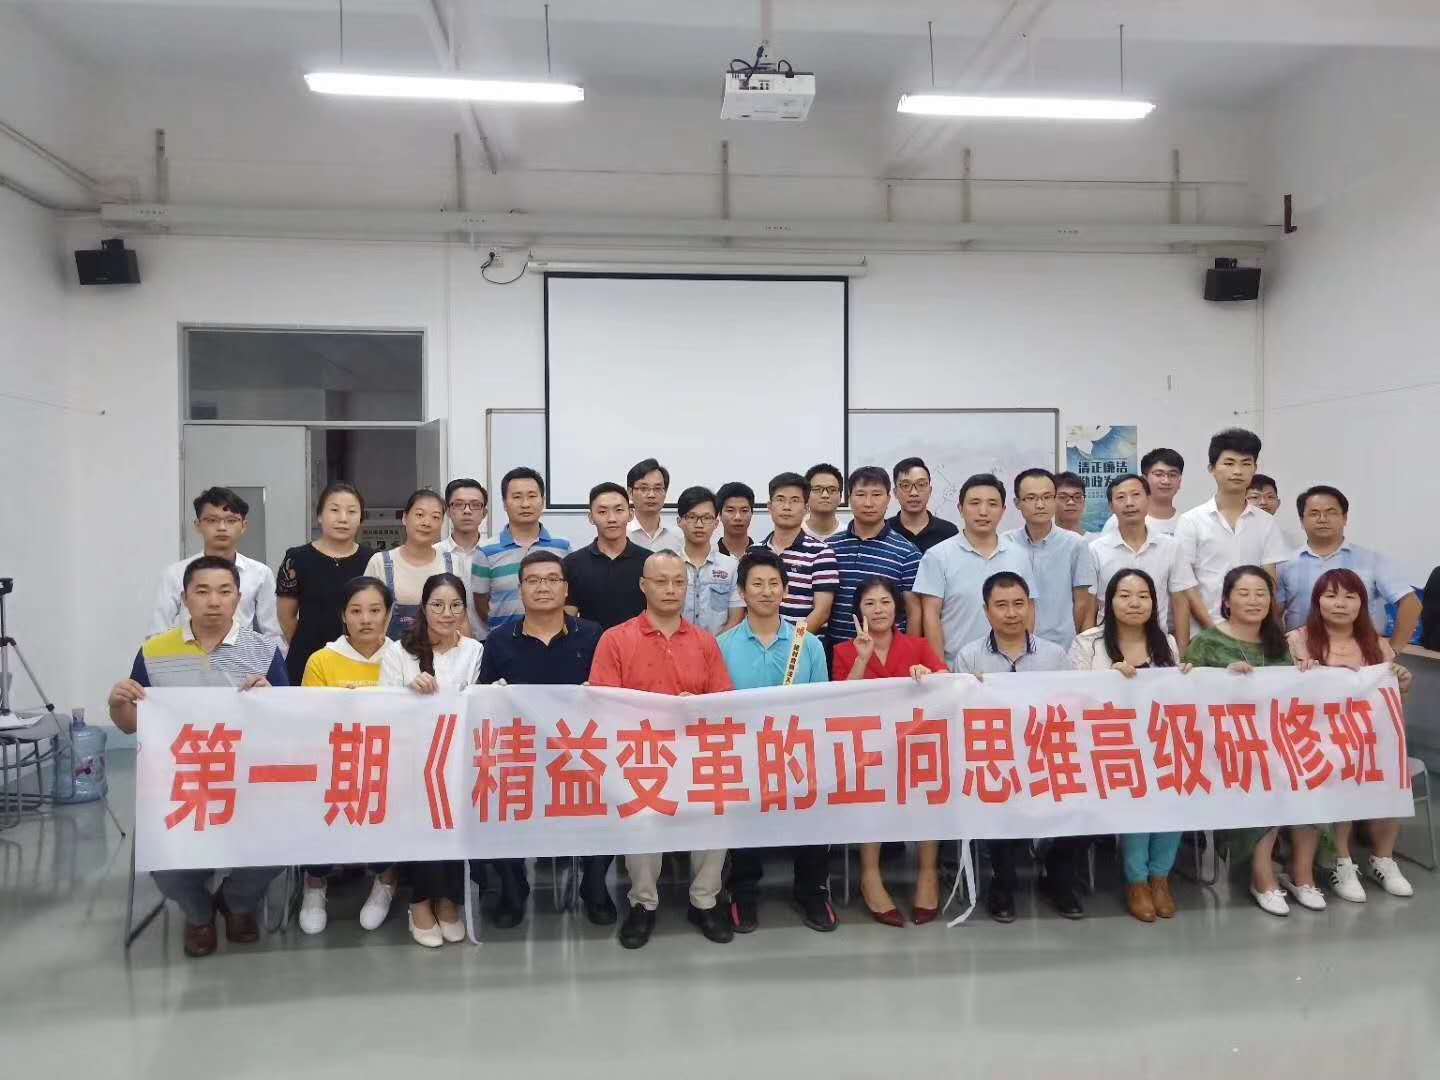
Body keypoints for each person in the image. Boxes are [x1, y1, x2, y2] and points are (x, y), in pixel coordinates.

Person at [108, 556, 288, 958]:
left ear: (238, 598)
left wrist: (271, 700)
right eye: (202, 591)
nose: (214, 601)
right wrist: (118, 705)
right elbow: (131, 724)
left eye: (224, 591)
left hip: (249, 779)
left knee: (282, 842)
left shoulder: (263, 651)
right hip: (182, 782)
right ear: (185, 598)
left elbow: (287, 722)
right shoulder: (154, 651)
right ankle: (198, 912)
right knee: (164, 858)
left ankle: (237, 902)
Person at [589, 550, 736, 949]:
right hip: (639, 757)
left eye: (678, 582)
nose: (671, 589)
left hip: (695, 753)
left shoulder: (705, 642)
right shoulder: (616, 640)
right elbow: (602, 706)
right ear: (643, 586)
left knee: (718, 810)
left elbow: (724, 702)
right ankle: (643, 903)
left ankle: (705, 900)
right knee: (641, 816)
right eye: (661, 581)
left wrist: (698, 706)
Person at [476, 551, 609, 926]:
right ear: (520, 589)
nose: (543, 587)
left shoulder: (593, 635)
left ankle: (594, 885)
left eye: (552, 579)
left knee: (614, 790)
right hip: (521, 755)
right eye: (533, 580)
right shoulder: (499, 641)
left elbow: (610, 695)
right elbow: (484, 703)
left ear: (566, 589)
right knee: (490, 795)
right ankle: (513, 886)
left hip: (580, 753)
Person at [952, 572, 1084, 922]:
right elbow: (962, 718)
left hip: (1047, 756)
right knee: (995, 794)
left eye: (1018, 604)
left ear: (1030, 607)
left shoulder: (1055, 656)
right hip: (995, 758)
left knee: (1087, 795)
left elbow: (1072, 708)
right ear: (986, 611)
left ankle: (1057, 877)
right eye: (1001, 605)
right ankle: (1003, 883)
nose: (1011, 613)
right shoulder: (969, 657)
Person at [716, 550, 835, 933]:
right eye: (757, 584)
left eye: (773, 584)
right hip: (743, 754)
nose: (766, 591)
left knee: (813, 814)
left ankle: (812, 891)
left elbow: (821, 705)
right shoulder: (723, 645)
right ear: (742, 592)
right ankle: (743, 892)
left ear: (785, 590)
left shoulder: (809, 644)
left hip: (798, 753)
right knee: (742, 820)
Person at [1182, 565, 1306, 917]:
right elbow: (1186, 698)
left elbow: (1291, 698)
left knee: (1301, 768)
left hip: (1274, 743)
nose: (1253, 601)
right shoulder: (1206, 642)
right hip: (1221, 749)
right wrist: (1223, 680)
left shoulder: (1280, 644)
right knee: (1261, 772)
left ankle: (1301, 873)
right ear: (1226, 600)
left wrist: (1306, 675)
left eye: (1261, 594)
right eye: (1244, 593)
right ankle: (1262, 876)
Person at [1069, 569, 1192, 923]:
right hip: (1105, 747)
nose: (1134, 603)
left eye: (1143, 596)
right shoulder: (1088, 644)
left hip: (1158, 743)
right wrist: (1108, 682)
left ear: (1154, 602)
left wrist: (1187, 679)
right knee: (1140, 792)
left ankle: (1160, 877)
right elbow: (1071, 697)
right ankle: (1137, 881)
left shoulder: (1166, 643)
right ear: (1108, 602)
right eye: (1124, 595)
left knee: (1175, 787)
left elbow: (1175, 698)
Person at [1287, 568, 1415, 903]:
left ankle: (1383, 858)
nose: (1340, 603)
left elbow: (1392, 710)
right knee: (1339, 771)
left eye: (1350, 596)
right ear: (1317, 602)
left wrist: (1401, 683)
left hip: (1367, 741)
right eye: (1331, 595)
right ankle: (1341, 862)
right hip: (1316, 742)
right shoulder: (1297, 640)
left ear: (1363, 603)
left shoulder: (1378, 645)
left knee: (1391, 771)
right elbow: (1283, 699)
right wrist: (1300, 676)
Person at [833, 577, 948, 926]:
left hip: (917, 746)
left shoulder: (918, 646)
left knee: (931, 786)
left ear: (897, 607)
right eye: (869, 604)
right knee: (870, 787)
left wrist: (929, 676)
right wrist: (862, 658)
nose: (878, 610)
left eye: (885, 602)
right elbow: (837, 703)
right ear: (858, 611)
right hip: (867, 751)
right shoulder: (844, 651)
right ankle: (870, 876)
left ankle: (928, 874)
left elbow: (948, 684)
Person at [379, 572, 481, 947]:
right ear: (423, 608)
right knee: (422, 825)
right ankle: (419, 902)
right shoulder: (398, 651)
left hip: (455, 757)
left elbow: (475, 701)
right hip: (410, 758)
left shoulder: (474, 650)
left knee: (454, 826)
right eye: (438, 605)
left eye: (455, 605)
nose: (447, 613)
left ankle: (448, 900)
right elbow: (381, 706)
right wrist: (407, 690)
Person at [299, 576, 403, 935]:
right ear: (343, 615)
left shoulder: (404, 658)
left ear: (388, 614)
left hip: (389, 763)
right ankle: (315, 881)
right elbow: (309, 721)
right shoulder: (322, 660)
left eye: (375, 610)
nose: (366, 619)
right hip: (335, 762)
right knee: (316, 796)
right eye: (356, 611)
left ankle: (386, 878)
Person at [1277, 485, 1421, 652]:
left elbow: (1411, 604)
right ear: (1302, 521)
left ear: (1345, 518)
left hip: (1361, 658)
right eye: (1314, 513)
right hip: (1302, 656)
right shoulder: (1285, 564)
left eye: (1331, 512)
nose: (1322, 519)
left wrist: (1392, 650)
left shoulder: (1371, 560)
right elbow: (1274, 614)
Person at [913, 473, 1034, 671]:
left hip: (1010, 671)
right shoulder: (938, 556)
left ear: (1003, 510)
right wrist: (940, 668)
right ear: (960, 508)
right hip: (956, 670)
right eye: (975, 503)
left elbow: (1029, 610)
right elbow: (931, 616)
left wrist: (1024, 662)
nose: (983, 511)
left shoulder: (1020, 555)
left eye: (992, 504)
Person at [1175, 428, 1291, 627]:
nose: (1237, 471)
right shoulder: (1191, 521)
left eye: (1246, 463)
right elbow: (1186, 587)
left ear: (1254, 468)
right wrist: (1214, 631)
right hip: (1205, 632)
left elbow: (1270, 581)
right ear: (1212, 468)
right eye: (1229, 463)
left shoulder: (1266, 522)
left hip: (1253, 632)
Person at [151, 487, 282, 641]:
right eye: (212, 520)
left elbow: (274, 633)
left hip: (241, 654)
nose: (222, 528)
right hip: (190, 653)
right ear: (198, 525)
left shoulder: (260, 573)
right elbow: (157, 632)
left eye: (231, 521)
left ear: (243, 526)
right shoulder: (175, 573)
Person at [275, 482, 374, 686]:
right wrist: (306, 641)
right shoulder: (297, 558)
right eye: (334, 510)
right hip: (306, 656)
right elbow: (286, 617)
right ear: (319, 516)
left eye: (351, 511)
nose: (343, 518)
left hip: (359, 659)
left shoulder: (373, 560)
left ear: (361, 518)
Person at [1088, 473, 1200, 651]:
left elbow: (1180, 601)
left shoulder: (1170, 547)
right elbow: (1090, 605)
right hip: (1108, 647)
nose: (1129, 503)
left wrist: (1182, 651)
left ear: (1148, 500)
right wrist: (1090, 650)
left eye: (1136, 495)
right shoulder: (1095, 550)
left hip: (1157, 647)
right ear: (1111, 507)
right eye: (1121, 497)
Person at [827, 466, 922, 654]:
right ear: (849, 498)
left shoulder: (907, 553)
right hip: (836, 655)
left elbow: (914, 613)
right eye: (861, 495)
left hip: (887, 657)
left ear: (888, 498)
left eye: (876, 495)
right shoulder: (830, 547)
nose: (868, 503)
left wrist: (908, 656)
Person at [472, 466, 572, 637]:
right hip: (505, 642)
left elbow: (568, 597)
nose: (525, 504)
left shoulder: (563, 547)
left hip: (555, 641)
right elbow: (481, 603)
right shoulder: (486, 551)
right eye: (517, 497)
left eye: (532, 496)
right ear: (504, 503)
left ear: (543, 500)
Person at [1006, 467, 1095, 648]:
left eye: (1047, 497)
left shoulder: (1075, 544)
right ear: (1017, 502)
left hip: (1063, 646)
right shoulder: (1005, 543)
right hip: (1015, 646)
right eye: (1031, 498)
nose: (1040, 505)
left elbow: (1083, 604)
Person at [363, 488, 461, 641]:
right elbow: (366, 615)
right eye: (419, 515)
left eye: (435, 517)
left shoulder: (453, 563)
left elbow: (462, 618)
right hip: (391, 653)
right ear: (404, 518)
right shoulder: (380, 562)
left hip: (442, 652)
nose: (426, 523)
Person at [563, 481, 648, 631]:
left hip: (639, 644)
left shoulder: (648, 562)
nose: (611, 519)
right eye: (602, 512)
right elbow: (567, 621)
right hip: (590, 644)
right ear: (591, 517)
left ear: (631, 514)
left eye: (619, 510)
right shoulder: (572, 563)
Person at [763, 472, 839, 634]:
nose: (787, 506)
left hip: (803, 644)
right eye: (780, 499)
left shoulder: (822, 553)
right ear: (769, 506)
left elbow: (821, 612)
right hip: (759, 644)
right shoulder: (755, 552)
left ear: (806, 508)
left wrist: (792, 643)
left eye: (795, 500)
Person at [676, 485, 745, 635]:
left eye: (706, 518)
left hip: (720, 646)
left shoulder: (731, 566)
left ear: (716, 523)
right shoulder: (669, 566)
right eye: (692, 517)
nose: (699, 524)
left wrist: (714, 645)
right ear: (679, 521)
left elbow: (736, 618)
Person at [437, 478, 489, 638]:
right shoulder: (435, 554)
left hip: (491, 641)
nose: (467, 511)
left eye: (475, 505)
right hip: (446, 643)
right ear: (448, 511)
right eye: (459, 504)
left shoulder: (493, 553)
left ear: (484, 513)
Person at [889, 456, 959, 554]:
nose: (914, 493)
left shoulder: (949, 532)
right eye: (905, 485)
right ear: (895, 492)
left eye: (921, 485)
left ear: (930, 491)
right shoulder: (883, 531)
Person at [626, 457, 683, 552]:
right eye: (644, 488)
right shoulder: (621, 533)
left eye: (657, 488)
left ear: (665, 492)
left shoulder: (678, 536)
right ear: (630, 493)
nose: (651, 495)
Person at [1247, 473, 1304, 552]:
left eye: (1270, 497)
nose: (1263, 502)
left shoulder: (1291, 540)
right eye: (1255, 497)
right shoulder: (1234, 536)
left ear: (1278, 503)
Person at [803, 462, 845, 541]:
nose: (825, 495)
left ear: (840, 497)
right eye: (817, 489)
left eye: (832, 490)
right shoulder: (795, 533)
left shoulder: (849, 536)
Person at [716, 481, 758, 557]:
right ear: (720, 514)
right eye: (730, 510)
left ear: (752, 513)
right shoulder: (710, 556)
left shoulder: (763, 556)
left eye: (744, 510)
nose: (738, 517)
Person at [1054, 471, 1092, 537]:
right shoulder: (1042, 540)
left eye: (1077, 497)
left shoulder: (1097, 542)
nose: (1071, 502)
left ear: (1084, 503)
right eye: (1063, 497)